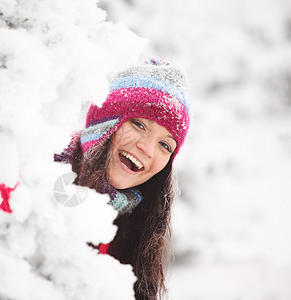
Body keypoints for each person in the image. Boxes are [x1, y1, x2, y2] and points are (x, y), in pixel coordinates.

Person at [53, 57, 191, 300]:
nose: (148, 149)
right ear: (103, 122)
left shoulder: (136, 232)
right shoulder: (35, 187)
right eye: (139, 124)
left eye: (165, 145)